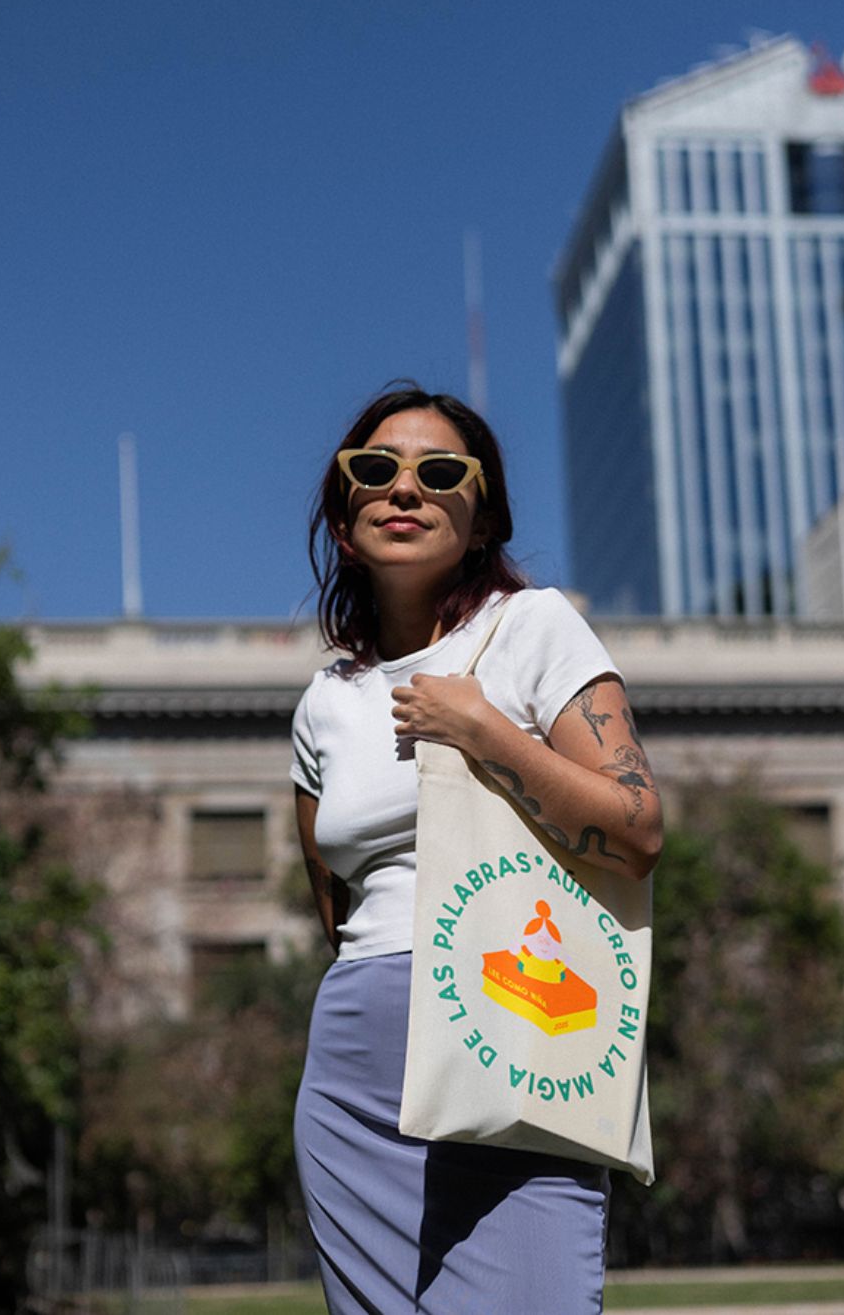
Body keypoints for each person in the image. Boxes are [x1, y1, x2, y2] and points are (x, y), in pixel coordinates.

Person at [291, 383, 662, 1315]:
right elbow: (331, 899)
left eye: (439, 471)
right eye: (374, 471)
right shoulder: (324, 702)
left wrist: (488, 731)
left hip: (513, 1034)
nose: (404, 488)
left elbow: (638, 827)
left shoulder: (533, 627)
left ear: (481, 512)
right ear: (345, 520)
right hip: (355, 1072)